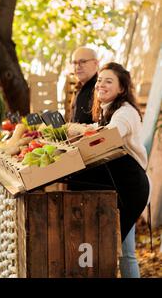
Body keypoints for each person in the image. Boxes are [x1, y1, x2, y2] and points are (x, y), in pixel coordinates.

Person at [71, 62, 150, 277]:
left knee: (125, 252)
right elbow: (100, 131)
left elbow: (110, 135)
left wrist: (79, 130)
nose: (100, 85)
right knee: (125, 251)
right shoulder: (107, 111)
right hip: (121, 185)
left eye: (108, 81)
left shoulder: (125, 113)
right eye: (99, 81)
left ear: (122, 89)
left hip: (132, 187)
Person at [69, 47, 99, 124]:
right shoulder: (78, 88)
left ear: (95, 63)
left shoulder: (100, 89)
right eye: (75, 63)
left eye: (82, 61)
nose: (77, 67)